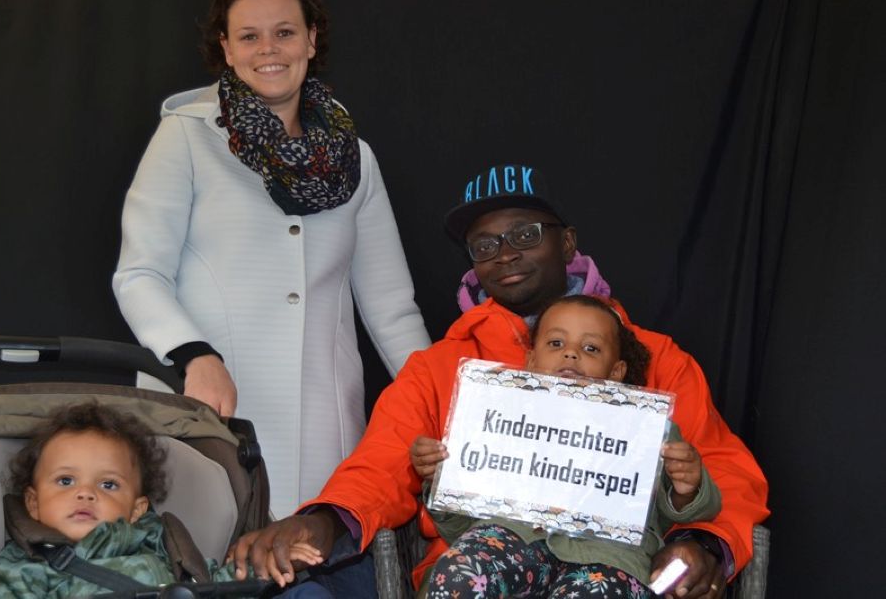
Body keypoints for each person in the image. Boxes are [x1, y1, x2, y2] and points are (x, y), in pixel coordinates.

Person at [227, 164, 770, 599]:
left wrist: (703, 544)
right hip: (488, 565)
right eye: (484, 245)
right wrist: (325, 519)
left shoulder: (655, 358)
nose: (505, 253)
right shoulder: (442, 367)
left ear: (567, 243)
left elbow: (724, 470)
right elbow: (380, 467)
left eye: (524, 235)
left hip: (611, 568)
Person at [112, 0, 431, 521]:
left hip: (325, 434)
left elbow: (392, 311)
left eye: (284, 32)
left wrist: (442, 409)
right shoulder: (185, 136)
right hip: (210, 410)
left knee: (312, 560)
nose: (268, 49)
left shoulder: (356, 158)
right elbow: (140, 274)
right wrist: (195, 356)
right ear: (226, 48)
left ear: (310, 40)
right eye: (249, 36)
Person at [412, 294, 721, 597]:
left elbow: (686, 511)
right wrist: (442, 477)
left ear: (616, 372)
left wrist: (687, 489)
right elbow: (459, 528)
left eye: (590, 348)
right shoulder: (498, 417)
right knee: (458, 575)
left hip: (611, 558)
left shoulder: (648, 427)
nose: (571, 354)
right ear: (531, 361)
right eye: (556, 343)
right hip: (512, 539)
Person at [0, 402, 329, 598]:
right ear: (33, 503)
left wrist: (264, 564)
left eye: (108, 484)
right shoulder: (27, 565)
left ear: (137, 509)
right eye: (65, 481)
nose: (85, 492)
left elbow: (213, 582)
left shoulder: (162, 545)